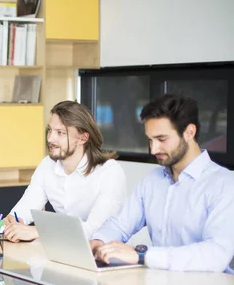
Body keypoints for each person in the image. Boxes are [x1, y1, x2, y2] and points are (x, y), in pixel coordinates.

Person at [91, 94, 234, 273]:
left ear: (189, 132)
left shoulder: (224, 184)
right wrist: (99, 241)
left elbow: (216, 254)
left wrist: (142, 256)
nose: (153, 149)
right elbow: (120, 224)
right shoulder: (152, 180)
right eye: (150, 140)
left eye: (162, 139)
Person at [3, 101, 127, 242]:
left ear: (83, 138)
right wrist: (12, 222)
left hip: (104, 254)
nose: (50, 138)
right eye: (50, 130)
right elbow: (22, 211)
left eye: (60, 133)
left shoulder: (109, 172)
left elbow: (93, 230)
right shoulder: (47, 165)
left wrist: (38, 231)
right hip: (63, 250)